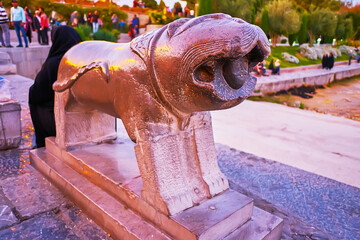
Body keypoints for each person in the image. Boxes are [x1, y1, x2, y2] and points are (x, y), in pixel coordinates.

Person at [29, 26, 82, 148]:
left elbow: (36, 93)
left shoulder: (54, 63)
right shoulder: (83, 62)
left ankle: (41, 142)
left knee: (33, 97)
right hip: (86, 121)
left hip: (61, 123)